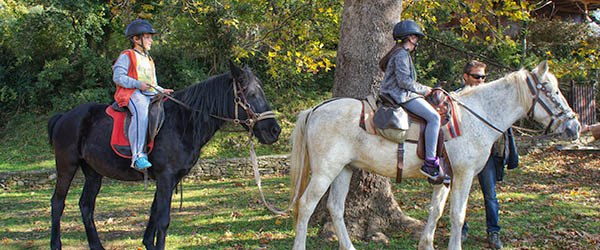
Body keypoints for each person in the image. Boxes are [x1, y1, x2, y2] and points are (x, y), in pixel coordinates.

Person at [459, 60, 519, 250]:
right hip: (463, 154)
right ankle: (461, 229)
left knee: (490, 195)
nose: (481, 80)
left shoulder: (490, 96)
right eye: (477, 76)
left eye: (483, 77)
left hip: (487, 155)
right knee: (461, 193)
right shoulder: (456, 97)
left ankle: (493, 232)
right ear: (465, 77)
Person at [378, 20, 447, 182]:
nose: (417, 42)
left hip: (400, 93)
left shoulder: (398, 53)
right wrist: (426, 90)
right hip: (400, 95)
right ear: (410, 38)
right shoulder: (401, 54)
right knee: (434, 117)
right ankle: (430, 162)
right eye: (416, 38)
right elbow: (404, 82)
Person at [112, 19, 173, 170]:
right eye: (147, 37)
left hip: (148, 93)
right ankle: (138, 156)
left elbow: (152, 82)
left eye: (150, 37)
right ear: (136, 39)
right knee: (142, 110)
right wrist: (138, 84)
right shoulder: (127, 55)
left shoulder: (149, 60)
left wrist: (162, 90)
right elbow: (118, 77)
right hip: (131, 93)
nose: (151, 40)